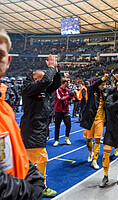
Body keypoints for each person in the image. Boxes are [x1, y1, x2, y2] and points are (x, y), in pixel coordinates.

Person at [0, 27, 45, 199]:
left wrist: (33, 174)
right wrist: (31, 190)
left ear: (8, 61)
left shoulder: (5, 109)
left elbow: (15, 152)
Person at [20, 54, 61, 197]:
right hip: (32, 129)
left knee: (35, 159)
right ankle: (38, 186)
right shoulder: (29, 88)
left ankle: (32, 185)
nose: (46, 82)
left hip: (40, 128)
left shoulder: (42, 89)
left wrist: (56, 69)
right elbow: (47, 81)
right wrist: (49, 68)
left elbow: (55, 83)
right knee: (38, 158)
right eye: (43, 79)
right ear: (37, 79)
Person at [80, 73, 118, 170]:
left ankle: (95, 160)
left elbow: (115, 90)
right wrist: (102, 78)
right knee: (88, 140)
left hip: (100, 120)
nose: (104, 86)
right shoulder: (91, 90)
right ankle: (90, 153)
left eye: (105, 84)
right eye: (102, 84)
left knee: (97, 140)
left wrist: (117, 80)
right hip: (90, 119)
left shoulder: (105, 91)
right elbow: (92, 86)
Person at [53, 78, 73, 146]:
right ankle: (56, 140)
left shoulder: (67, 90)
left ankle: (67, 138)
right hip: (58, 110)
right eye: (68, 82)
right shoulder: (58, 90)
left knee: (69, 125)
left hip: (66, 110)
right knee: (57, 126)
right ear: (64, 82)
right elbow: (60, 98)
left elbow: (70, 98)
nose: (69, 84)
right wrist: (68, 96)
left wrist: (72, 96)